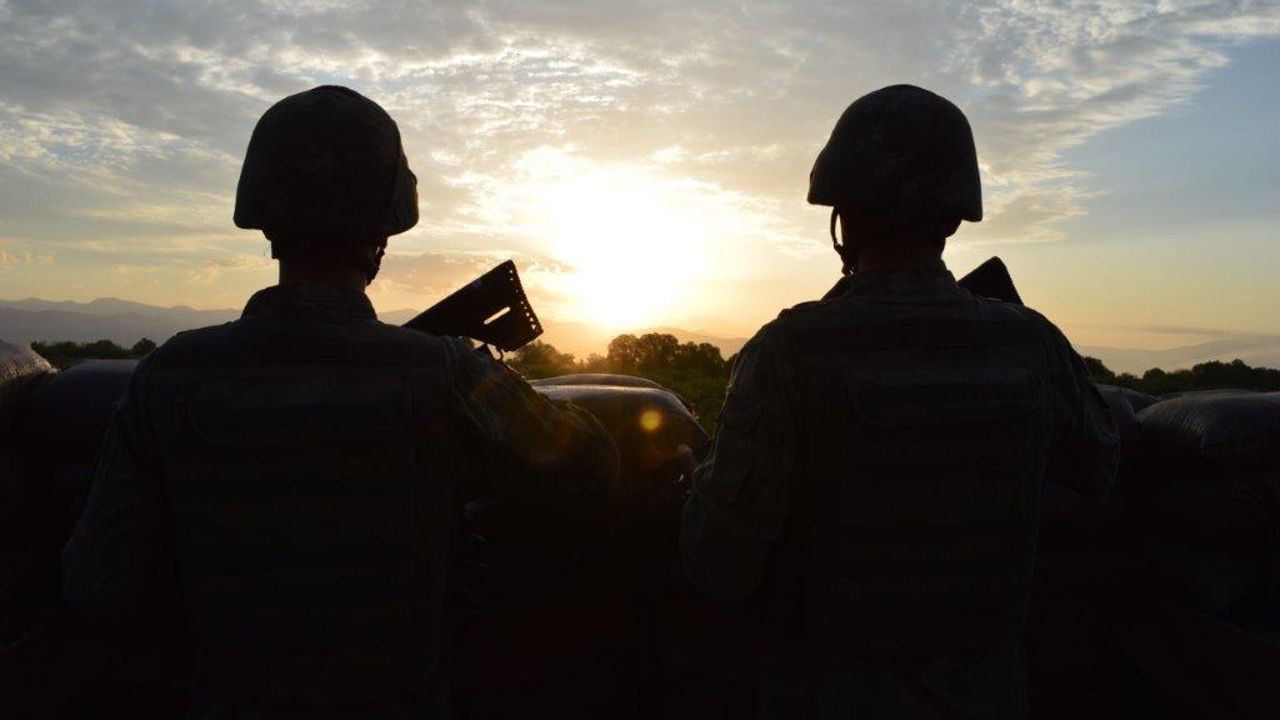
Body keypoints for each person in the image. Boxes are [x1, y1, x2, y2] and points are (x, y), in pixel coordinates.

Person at [61, 86, 619, 719]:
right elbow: (592, 466)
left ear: (265, 221)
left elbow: (96, 587)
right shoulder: (444, 374)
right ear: (384, 229)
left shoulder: (165, 377)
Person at [679, 84, 1119, 718]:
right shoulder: (1033, 343)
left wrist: (696, 485)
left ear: (843, 217)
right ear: (953, 216)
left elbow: (718, 565)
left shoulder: (789, 352)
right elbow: (1100, 466)